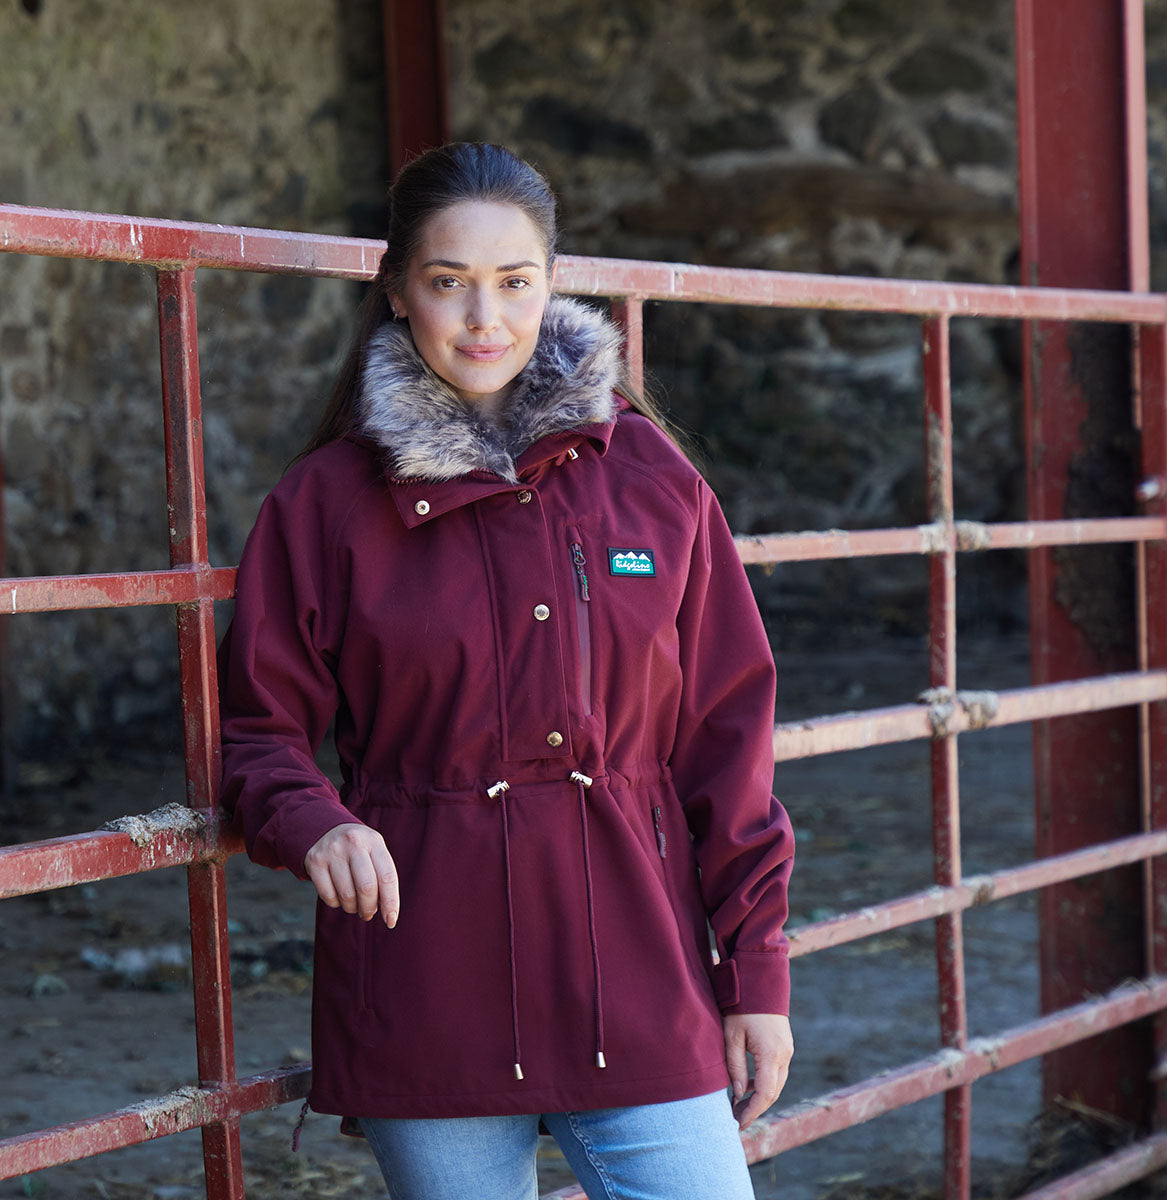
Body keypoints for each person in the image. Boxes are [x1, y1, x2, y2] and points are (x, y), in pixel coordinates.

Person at [218, 142, 795, 1200]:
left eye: (515, 282)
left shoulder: (653, 480)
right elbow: (257, 730)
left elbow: (729, 736)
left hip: (638, 974)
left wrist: (754, 971)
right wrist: (317, 821)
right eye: (449, 282)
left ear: (551, 285)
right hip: (426, 979)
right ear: (397, 291)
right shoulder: (325, 505)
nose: (485, 317)